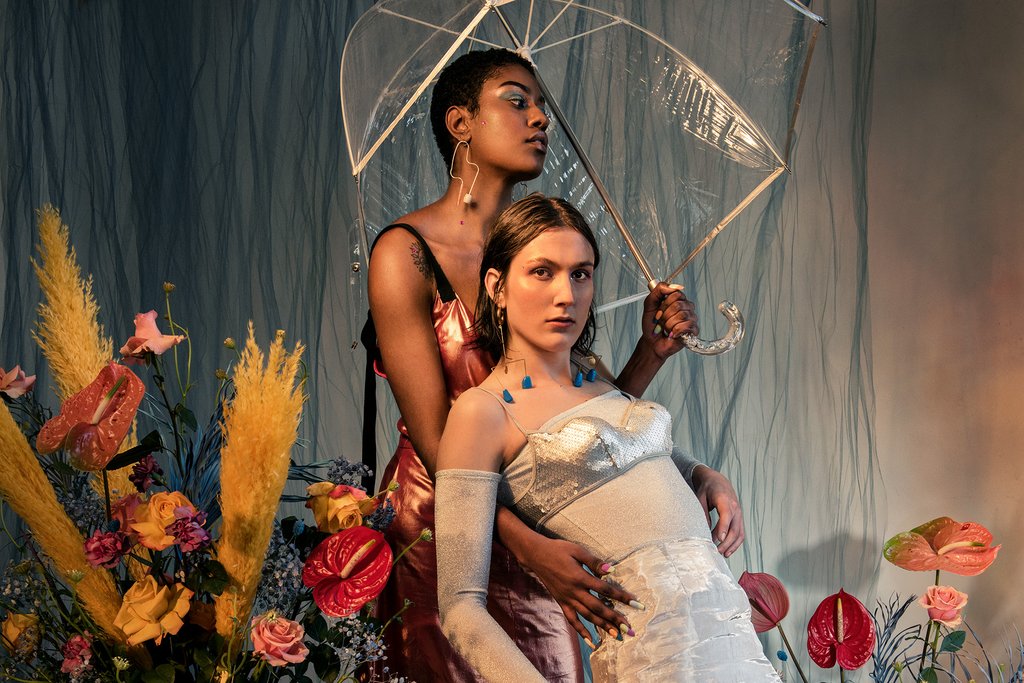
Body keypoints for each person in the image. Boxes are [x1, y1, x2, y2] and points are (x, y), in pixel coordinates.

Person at [367, 49, 744, 681]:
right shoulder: (405, 252)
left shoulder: (543, 246)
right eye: (517, 101)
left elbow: (577, 433)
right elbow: (437, 438)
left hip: (546, 515)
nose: (541, 117)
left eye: (542, 103)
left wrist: (649, 354)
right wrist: (528, 546)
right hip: (447, 523)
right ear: (460, 123)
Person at [434, 194, 779, 682]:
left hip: (731, 634)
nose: (566, 295)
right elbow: (460, 608)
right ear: (497, 285)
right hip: (657, 659)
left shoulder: (593, 376)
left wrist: (701, 472)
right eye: (542, 272)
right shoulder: (481, 412)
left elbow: (630, 460)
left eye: (581, 273)